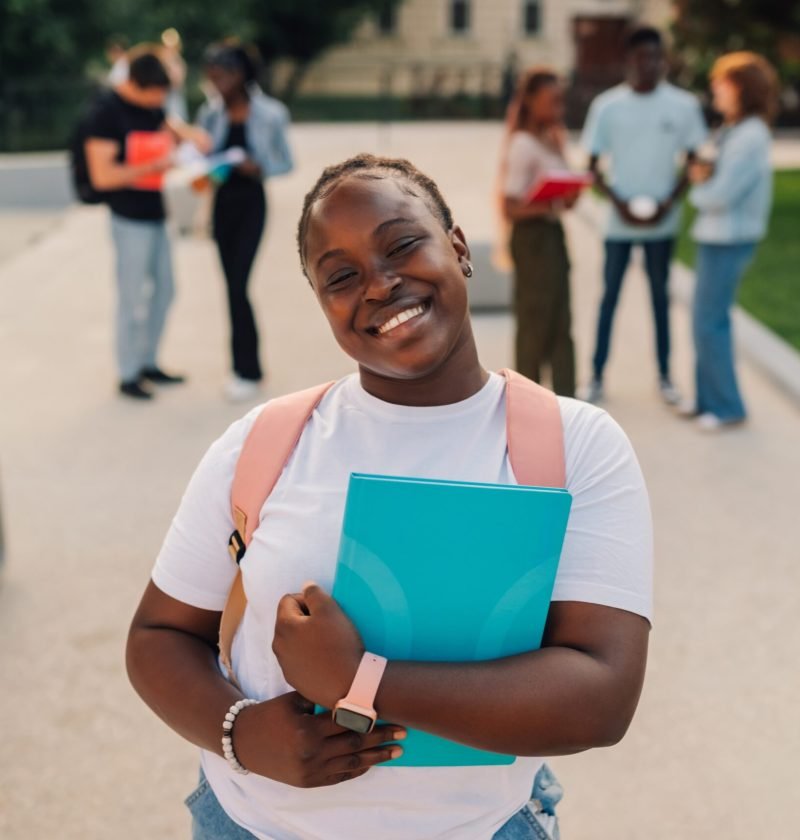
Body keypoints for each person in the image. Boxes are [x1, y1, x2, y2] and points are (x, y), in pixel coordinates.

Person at [127, 154, 652, 839]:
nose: (379, 284)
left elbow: (602, 697)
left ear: (458, 248)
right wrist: (242, 734)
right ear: (324, 305)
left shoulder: (574, 445)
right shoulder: (266, 442)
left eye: (403, 244)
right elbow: (158, 636)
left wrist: (358, 679)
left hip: (482, 826)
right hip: (252, 824)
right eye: (340, 277)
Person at [580, 26, 707, 405]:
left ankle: (666, 376)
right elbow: (591, 167)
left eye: (654, 57)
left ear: (662, 60)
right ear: (628, 61)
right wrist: (618, 203)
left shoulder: (682, 105)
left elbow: (694, 160)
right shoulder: (608, 106)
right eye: (640, 57)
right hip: (619, 222)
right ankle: (597, 375)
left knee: (659, 299)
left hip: (662, 221)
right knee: (610, 298)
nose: (647, 64)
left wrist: (669, 202)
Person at [85, 44, 211, 399]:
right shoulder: (105, 113)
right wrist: (154, 166)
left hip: (157, 212)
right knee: (131, 296)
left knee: (166, 290)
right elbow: (102, 176)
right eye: (157, 92)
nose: (160, 100)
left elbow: (171, 126)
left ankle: (148, 361)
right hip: (128, 218)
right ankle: (128, 372)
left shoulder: (151, 105)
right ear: (137, 84)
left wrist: (192, 137)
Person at [683, 52, 779, 431]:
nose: (715, 92)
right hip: (718, 236)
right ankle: (709, 399)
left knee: (710, 323)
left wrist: (698, 186)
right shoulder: (734, 130)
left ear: (743, 88)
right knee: (705, 320)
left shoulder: (751, 136)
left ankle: (726, 407)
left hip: (729, 238)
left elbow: (718, 193)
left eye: (722, 84)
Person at [197, 42, 294, 402]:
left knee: (239, 285)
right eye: (212, 77)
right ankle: (244, 368)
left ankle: (247, 370)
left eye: (221, 75)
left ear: (240, 74)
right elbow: (202, 155)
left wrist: (259, 167)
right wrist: (206, 167)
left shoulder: (270, 113)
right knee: (231, 287)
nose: (216, 83)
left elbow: (287, 162)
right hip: (222, 203)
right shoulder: (209, 113)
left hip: (252, 203)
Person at [501, 67, 577, 397]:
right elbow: (510, 207)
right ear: (531, 101)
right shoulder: (521, 145)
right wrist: (549, 205)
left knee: (561, 321)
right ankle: (527, 400)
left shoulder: (550, 138)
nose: (559, 108)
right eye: (553, 101)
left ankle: (567, 401)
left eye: (562, 101)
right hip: (532, 240)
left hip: (553, 236)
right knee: (535, 323)